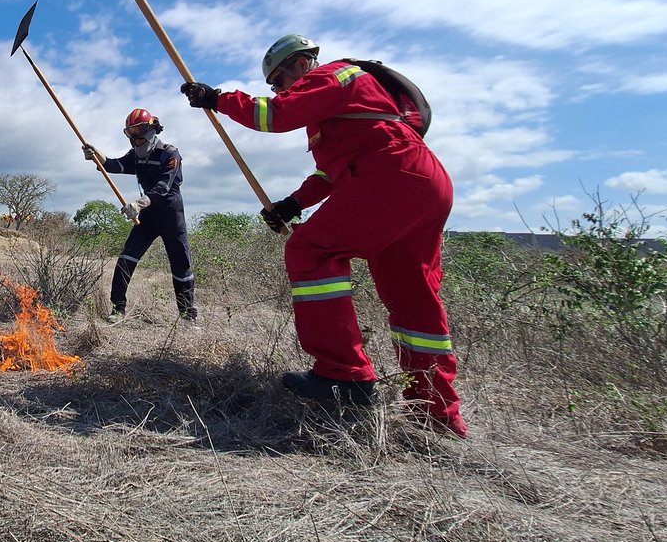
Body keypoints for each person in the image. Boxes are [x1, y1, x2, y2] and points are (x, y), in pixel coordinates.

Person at [180, 34, 465, 438]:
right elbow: (331, 173)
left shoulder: (333, 75)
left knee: (310, 250)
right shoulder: (340, 107)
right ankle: (436, 413)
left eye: (278, 80)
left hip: (392, 174)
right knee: (412, 297)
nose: (279, 89)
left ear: (299, 63)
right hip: (422, 182)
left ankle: (344, 373)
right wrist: (293, 204)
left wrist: (217, 98)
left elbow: (274, 115)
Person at [82, 108, 198, 325]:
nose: (136, 138)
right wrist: (96, 155)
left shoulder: (170, 154)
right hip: (148, 216)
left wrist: (138, 204)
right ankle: (118, 309)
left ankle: (187, 316)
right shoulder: (135, 155)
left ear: (152, 130)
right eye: (131, 133)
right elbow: (115, 165)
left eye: (139, 131)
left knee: (181, 265)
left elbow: (163, 188)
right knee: (126, 259)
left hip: (171, 216)